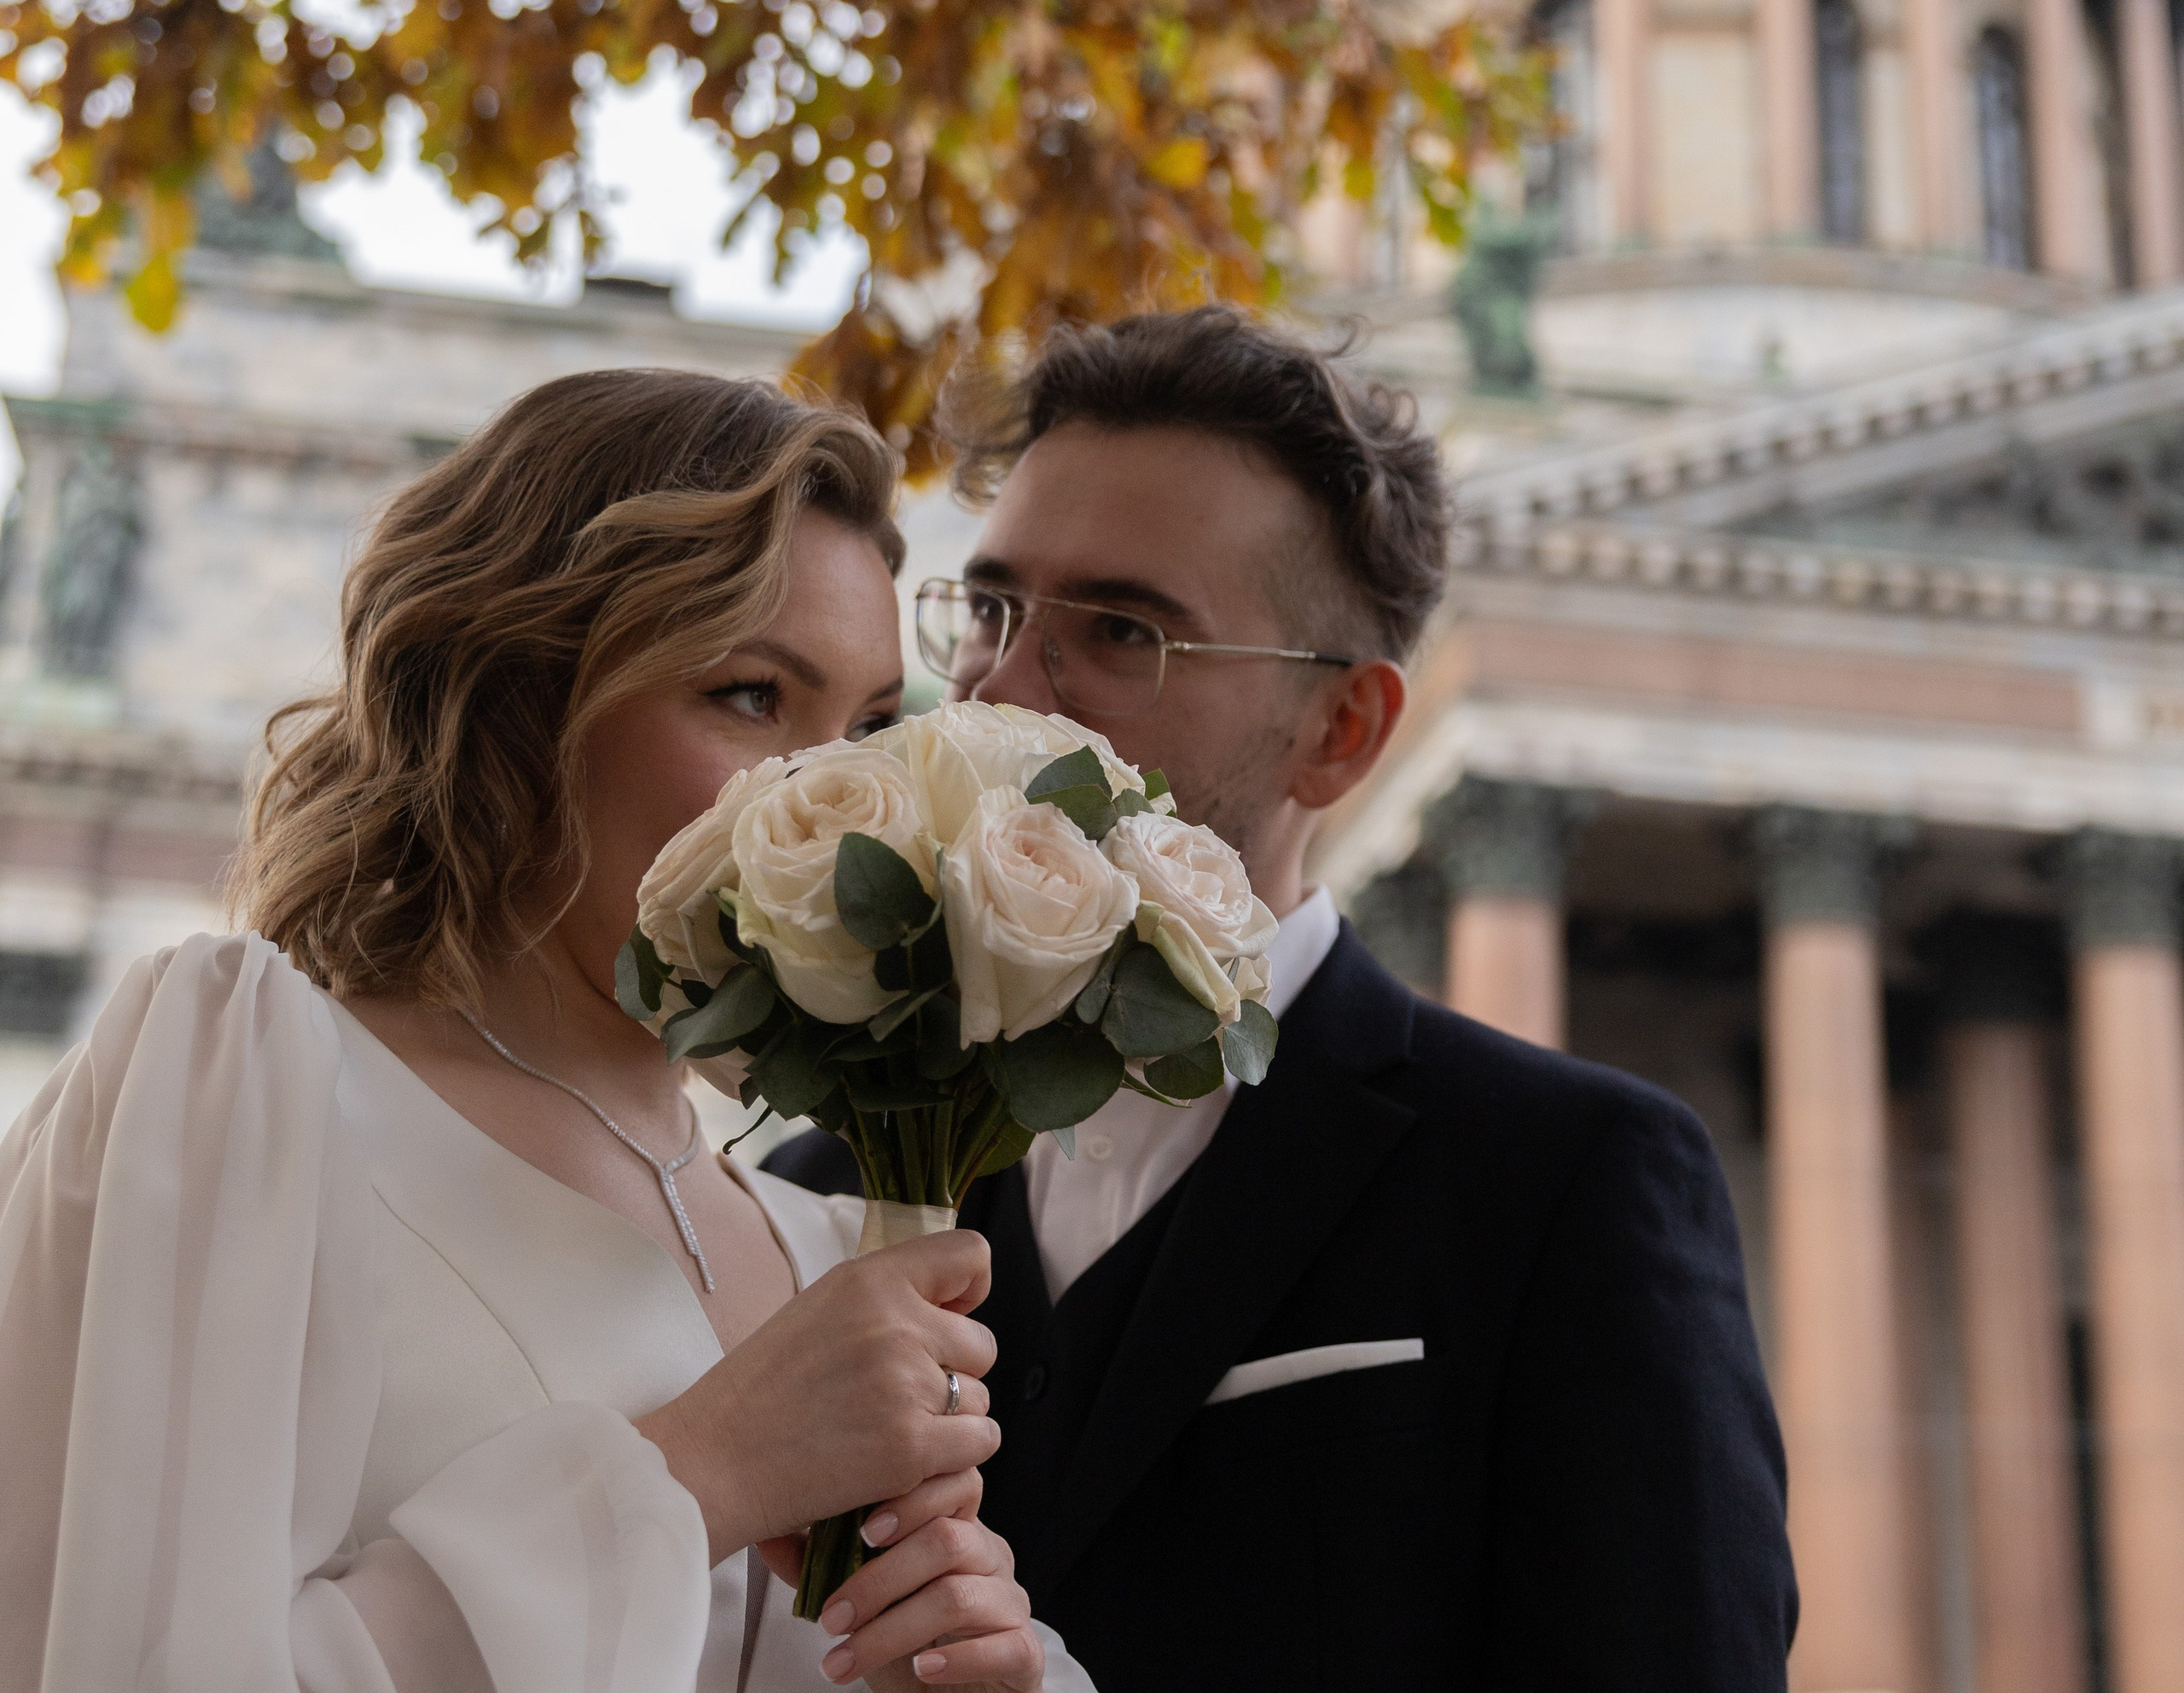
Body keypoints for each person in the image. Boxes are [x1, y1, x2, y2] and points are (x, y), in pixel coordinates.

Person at [0, 369, 1089, 1693]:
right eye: (752, 695)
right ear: (526, 699)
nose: (841, 790)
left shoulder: (820, 1239)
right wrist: (703, 1469)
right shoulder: (251, 1095)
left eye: (868, 725)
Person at [773, 308, 1797, 1690]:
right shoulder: (812, 1186)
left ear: (1342, 732)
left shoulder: (1564, 1187)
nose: (1001, 687)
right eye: (996, 608)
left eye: (1124, 630)